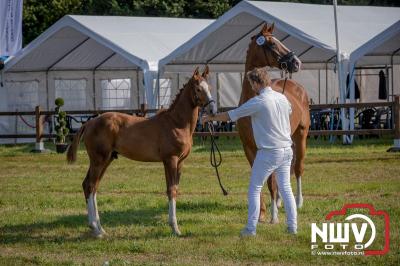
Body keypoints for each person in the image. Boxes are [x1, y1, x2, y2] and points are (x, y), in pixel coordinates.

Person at [201, 67, 297, 236]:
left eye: (251, 83)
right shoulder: (281, 98)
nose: (251, 87)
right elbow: (290, 110)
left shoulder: (258, 101)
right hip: (286, 149)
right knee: (286, 188)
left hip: (269, 151)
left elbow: (232, 115)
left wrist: (211, 118)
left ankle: (251, 229)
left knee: (255, 188)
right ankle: (292, 227)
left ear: (255, 82)